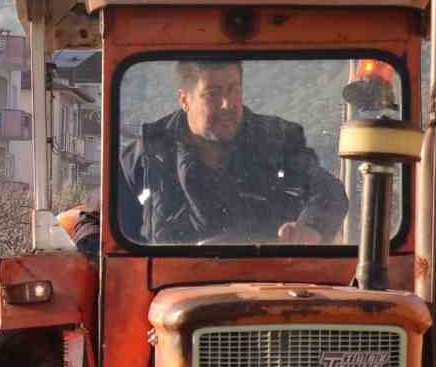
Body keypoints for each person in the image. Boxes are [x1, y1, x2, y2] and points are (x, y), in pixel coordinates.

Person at [115, 60, 349, 246]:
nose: (228, 103)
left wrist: (311, 227)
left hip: (265, 285)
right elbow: (97, 219)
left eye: (233, 90)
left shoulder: (276, 141)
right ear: (185, 99)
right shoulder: (150, 151)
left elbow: (329, 191)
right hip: (170, 284)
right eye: (213, 93)